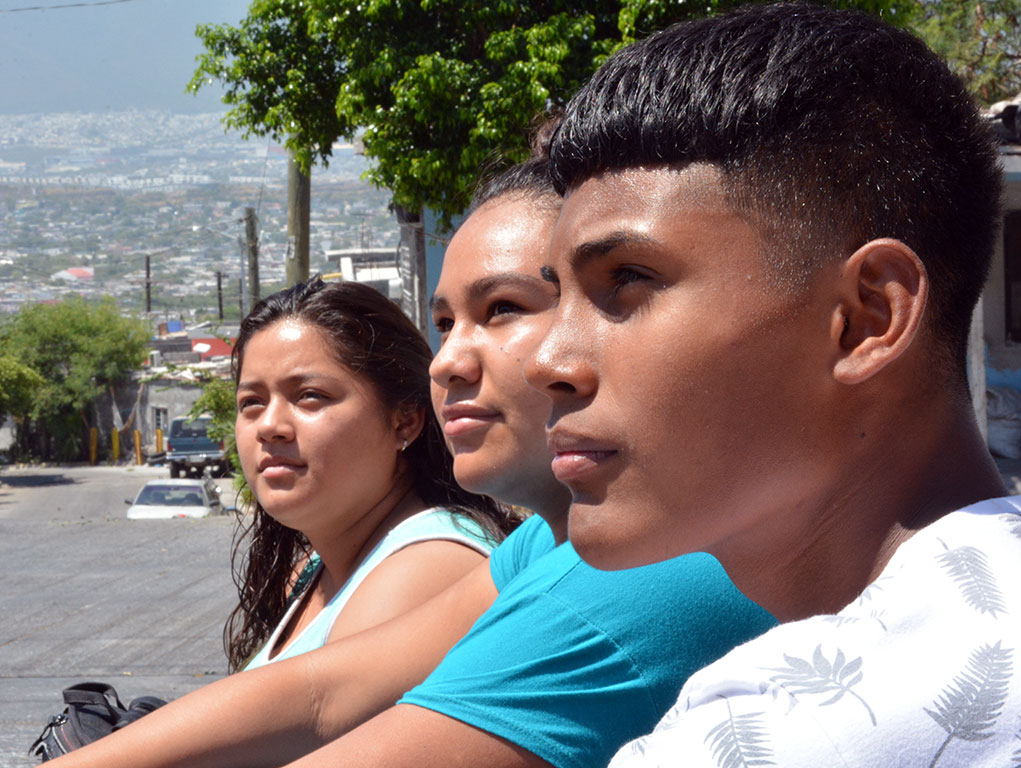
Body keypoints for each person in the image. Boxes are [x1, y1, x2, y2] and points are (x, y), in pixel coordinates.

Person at [48, 161, 775, 768]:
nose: (451, 361)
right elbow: (323, 692)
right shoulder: (549, 546)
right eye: (447, 322)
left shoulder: (643, 572)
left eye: (507, 309)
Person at [519, 4, 1021, 765]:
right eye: (553, 294)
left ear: (866, 319)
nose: (547, 362)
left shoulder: (771, 736)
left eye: (627, 280)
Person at [223, 278, 515, 672]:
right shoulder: (312, 572)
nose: (269, 426)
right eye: (252, 402)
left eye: (310, 395)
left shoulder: (427, 567)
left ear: (404, 421)